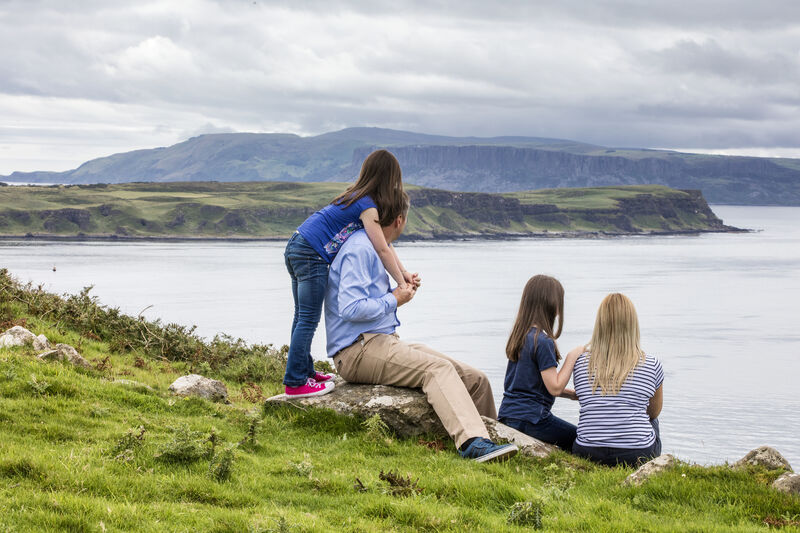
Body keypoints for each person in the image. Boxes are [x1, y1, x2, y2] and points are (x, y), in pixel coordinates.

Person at [325, 192, 518, 463]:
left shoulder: (374, 246)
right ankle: (472, 443)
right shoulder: (359, 249)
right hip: (356, 350)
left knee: (477, 380)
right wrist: (394, 298)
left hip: (381, 340)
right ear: (400, 220)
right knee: (437, 369)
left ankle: (494, 444)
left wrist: (398, 289)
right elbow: (350, 308)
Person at [283, 149, 415, 398]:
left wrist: (404, 272)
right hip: (311, 255)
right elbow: (382, 249)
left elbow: (385, 246)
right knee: (308, 319)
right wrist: (401, 284)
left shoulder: (354, 197)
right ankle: (295, 381)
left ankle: (304, 371)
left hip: (297, 246)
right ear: (389, 179)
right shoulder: (368, 207)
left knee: (302, 316)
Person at [571, 293, 664, 466]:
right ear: (632, 324)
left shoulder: (580, 363)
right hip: (637, 454)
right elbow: (653, 413)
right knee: (652, 420)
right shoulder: (652, 364)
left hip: (588, 451)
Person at [497, 275, 584, 450]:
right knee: (580, 439)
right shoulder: (543, 342)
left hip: (508, 415)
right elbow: (554, 387)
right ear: (553, 305)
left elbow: (531, 386)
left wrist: (572, 395)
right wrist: (572, 357)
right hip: (532, 420)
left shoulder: (521, 336)